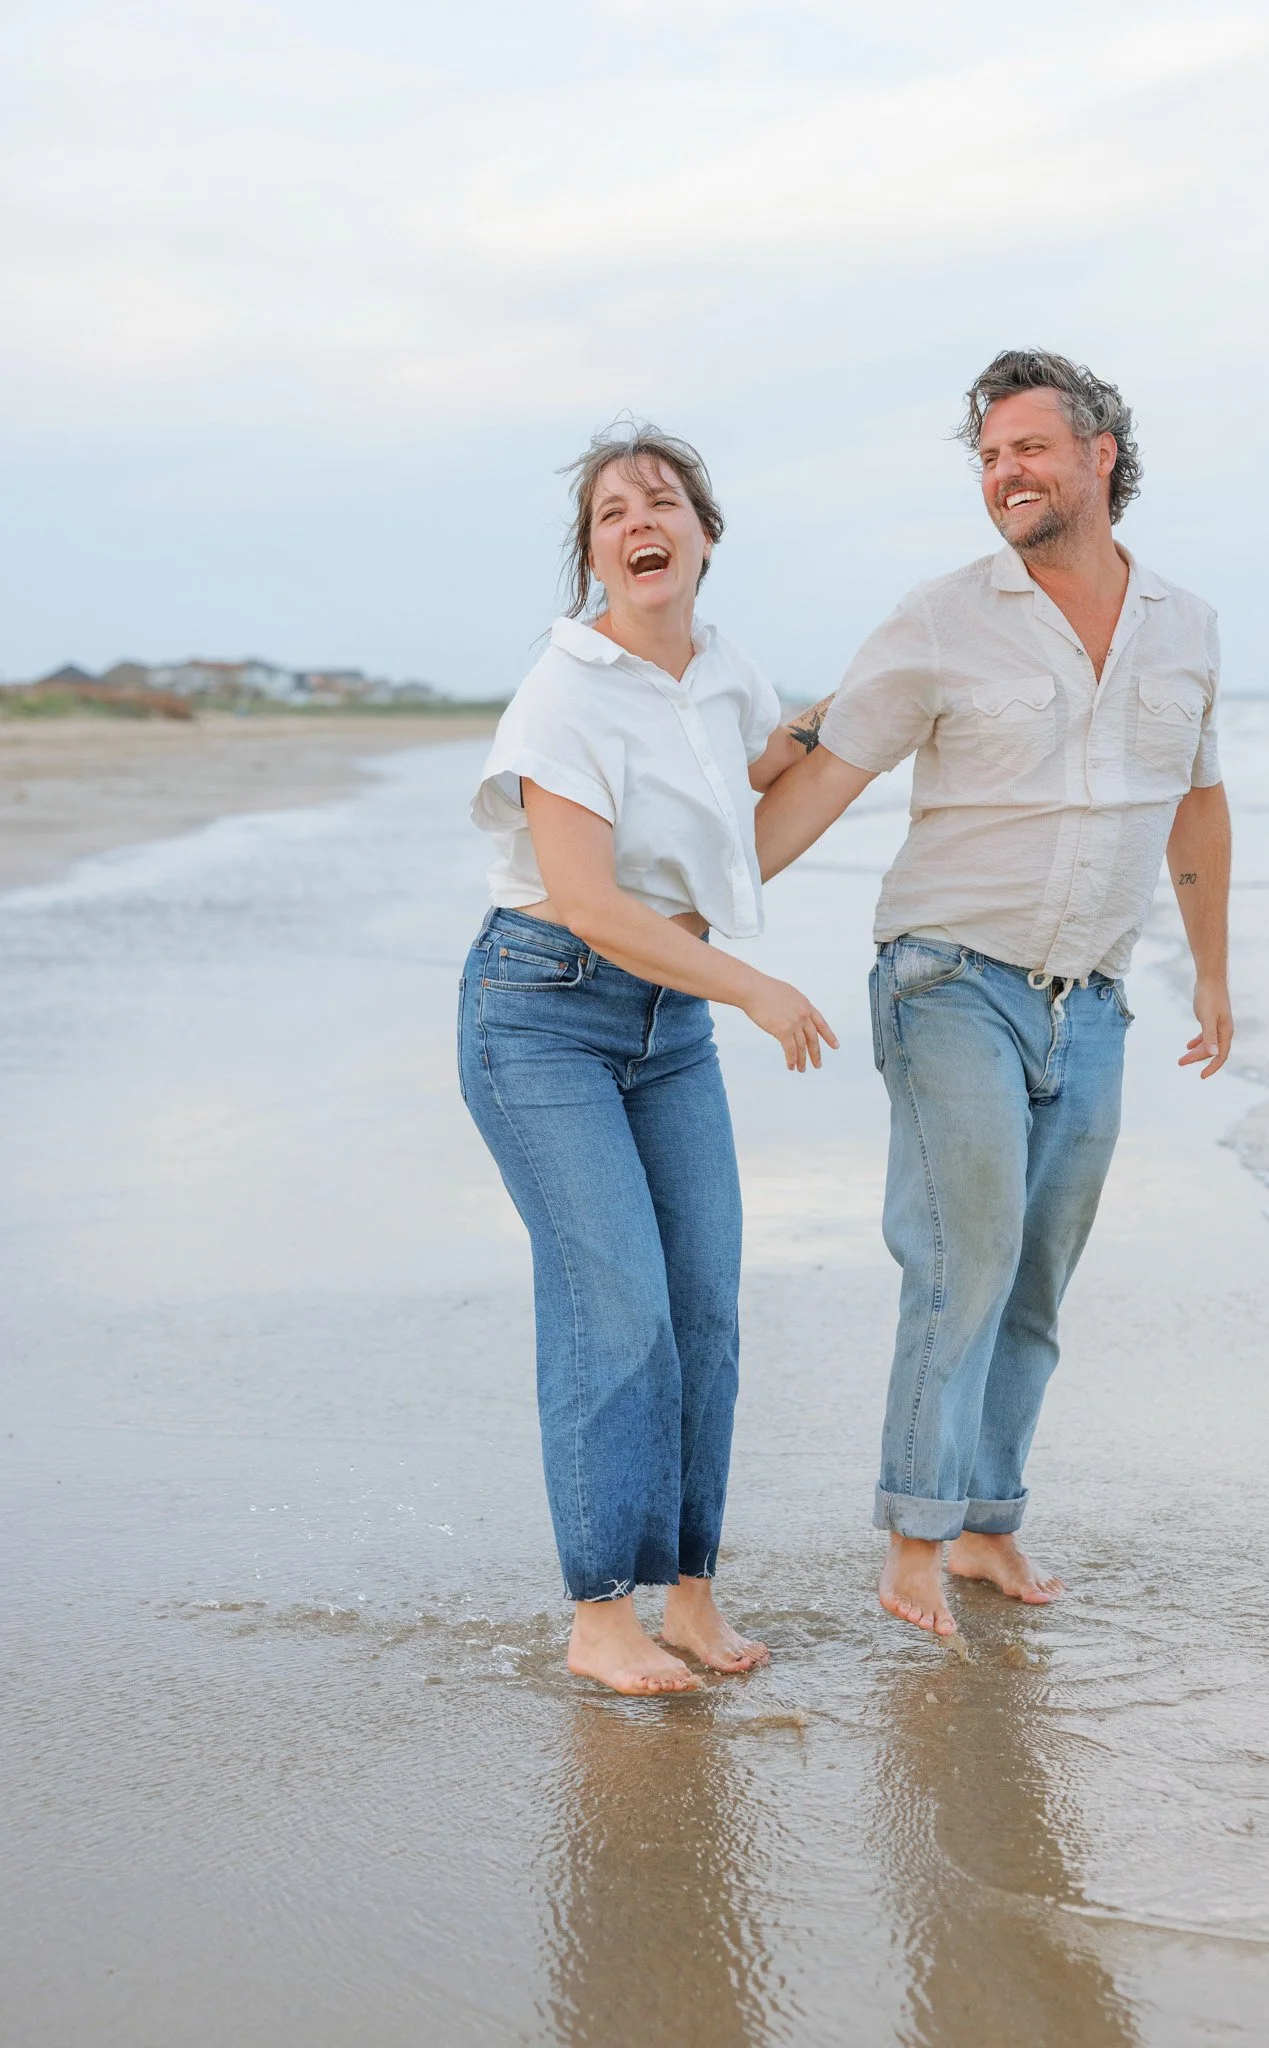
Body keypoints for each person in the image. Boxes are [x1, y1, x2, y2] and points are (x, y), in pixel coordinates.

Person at [755, 349, 1234, 1637]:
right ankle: (913, 1540)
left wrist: (1216, 974)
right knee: (963, 1255)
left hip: (1095, 996)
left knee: (1035, 1279)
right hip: (948, 974)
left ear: (1101, 456)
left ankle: (985, 1527)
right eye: (987, 456)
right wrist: (679, 915)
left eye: (1027, 447)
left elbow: (1195, 798)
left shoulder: (1184, 623)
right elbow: (823, 775)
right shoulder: (938, 616)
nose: (1004, 473)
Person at [459, 422, 836, 1696]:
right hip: (542, 1016)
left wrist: (853, 726)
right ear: (595, 556)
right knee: (613, 1305)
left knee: (705, 1310)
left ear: (705, 535)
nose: (640, 520)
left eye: (662, 500)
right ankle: (597, 1613)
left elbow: (736, 820)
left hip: (665, 1028)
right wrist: (758, 987)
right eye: (613, 511)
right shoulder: (562, 689)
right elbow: (592, 900)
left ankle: (689, 1595)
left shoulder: (725, 675)